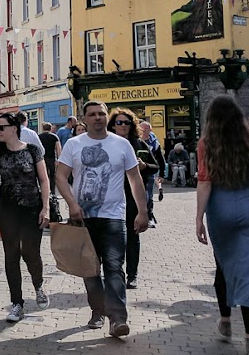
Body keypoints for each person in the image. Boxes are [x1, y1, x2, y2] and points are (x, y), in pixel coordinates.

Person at [56, 100, 148, 338]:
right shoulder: (74, 145)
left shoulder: (122, 144)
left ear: (107, 116)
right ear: (84, 118)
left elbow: (135, 179)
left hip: (114, 216)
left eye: (101, 114)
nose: (97, 117)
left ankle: (117, 319)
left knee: (114, 267)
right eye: (92, 114)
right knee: (89, 268)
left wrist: (142, 210)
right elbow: (60, 176)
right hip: (83, 218)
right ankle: (98, 311)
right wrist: (72, 204)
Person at [196, 95, 249, 355]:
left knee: (223, 266)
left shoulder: (206, 143)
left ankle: (226, 321)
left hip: (221, 209)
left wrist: (198, 218)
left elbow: (204, 181)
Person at [0, 112, 50, 322]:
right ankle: (17, 304)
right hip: (8, 210)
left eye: (2, 128)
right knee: (11, 255)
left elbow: (44, 181)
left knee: (30, 252)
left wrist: (45, 208)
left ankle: (38, 284)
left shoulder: (32, 150)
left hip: (31, 207)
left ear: (14, 128)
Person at [108, 109, 157, 290]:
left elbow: (156, 166)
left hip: (133, 196)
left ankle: (132, 275)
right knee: (112, 237)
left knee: (132, 236)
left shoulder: (139, 143)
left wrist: (144, 166)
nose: (123, 126)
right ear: (113, 125)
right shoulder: (107, 144)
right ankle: (115, 273)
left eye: (127, 123)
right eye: (119, 123)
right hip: (112, 197)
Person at [139, 121, 166, 227]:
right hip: (136, 172)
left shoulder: (154, 142)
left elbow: (160, 158)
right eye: (143, 128)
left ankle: (149, 216)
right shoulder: (136, 141)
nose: (145, 131)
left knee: (148, 195)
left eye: (147, 129)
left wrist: (162, 174)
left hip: (150, 171)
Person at [38, 122, 61, 194]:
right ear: (50, 128)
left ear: (43, 128)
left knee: (43, 176)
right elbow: (58, 149)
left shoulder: (39, 136)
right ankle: (53, 191)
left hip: (42, 158)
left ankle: (44, 191)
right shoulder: (54, 136)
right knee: (52, 175)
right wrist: (58, 159)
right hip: (51, 158)